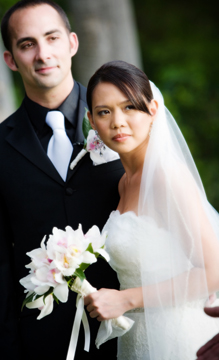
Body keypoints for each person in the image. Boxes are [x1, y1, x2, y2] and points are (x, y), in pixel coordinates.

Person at [0, 0, 124, 360]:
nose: (42, 54)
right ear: (10, 59)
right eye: (27, 44)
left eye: (51, 38)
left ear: (71, 43)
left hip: (133, 329)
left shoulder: (124, 121)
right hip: (44, 343)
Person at [84, 60, 219, 360]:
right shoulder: (124, 183)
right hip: (137, 338)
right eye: (105, 112)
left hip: (177, 337)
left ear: (153, 110)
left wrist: (125, 300)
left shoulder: (167, 176)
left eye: (129, 107)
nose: (118, 121)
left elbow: (214, 271)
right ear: (92, 121)